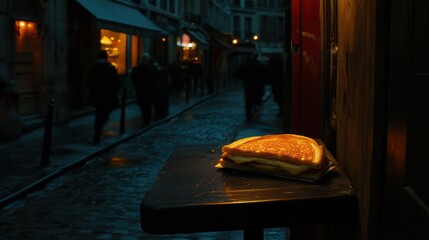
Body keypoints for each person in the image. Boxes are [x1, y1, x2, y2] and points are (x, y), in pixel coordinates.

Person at [86, 50, 121, 144]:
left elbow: (89, 81)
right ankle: (98, 132)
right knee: (104, 114)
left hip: (97, 95)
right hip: (107, 96)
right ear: (106, 57)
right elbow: (117, 83)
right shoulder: (110, 68)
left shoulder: (93, 68)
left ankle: (97, 132)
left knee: (99, 114)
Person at [236, 53, 265, 121]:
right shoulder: (259, 65)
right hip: (258, 84)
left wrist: (243, 78)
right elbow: (265, 74)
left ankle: (248, 115)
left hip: (248, 84)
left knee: (248, 100)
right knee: (256, 98)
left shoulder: (245, 65)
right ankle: (254, 111)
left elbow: (238, 73)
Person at [131, 53, 156, 126]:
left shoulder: (138, 68)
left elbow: (134, 78)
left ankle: (146, 119)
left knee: (144, 105)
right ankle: (147, 119)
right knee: (147, 105)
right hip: (147, 90)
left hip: (141, 90)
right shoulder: (149, 69)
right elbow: (153, 80)